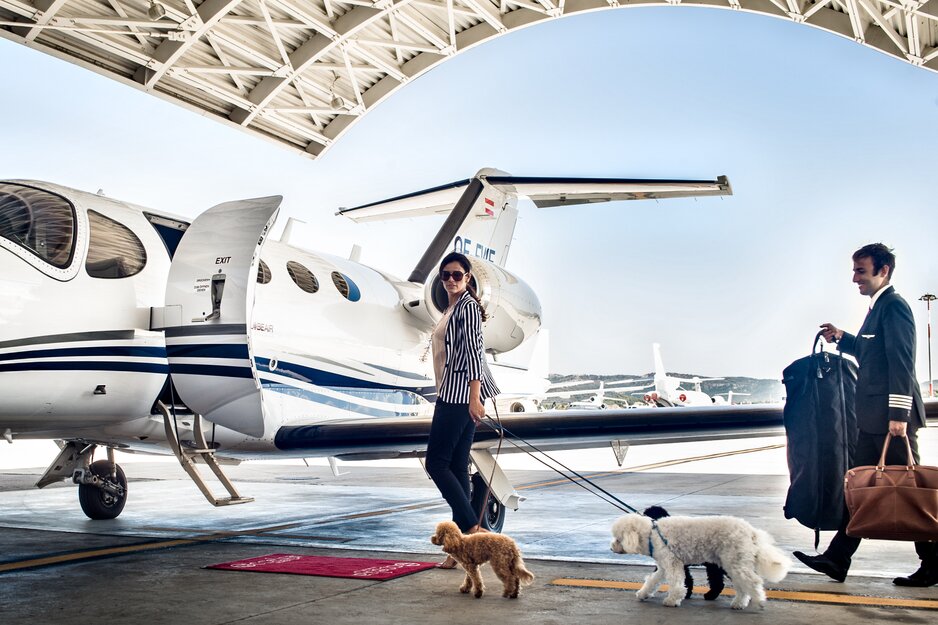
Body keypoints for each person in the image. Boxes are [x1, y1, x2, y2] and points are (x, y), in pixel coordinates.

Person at [794, 243, 935, 587]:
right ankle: (837, 558)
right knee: (858, 488)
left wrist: (898, 415)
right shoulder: (878, 309)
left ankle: (934, 562)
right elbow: (871, 354)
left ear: (882, 270)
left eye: (861, 270)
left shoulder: (894, 307)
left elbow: (902, 361)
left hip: (891, 421)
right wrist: (843, 338)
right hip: (874, 419)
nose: (854, 277)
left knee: (911, 491)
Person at [425, 251, 500, 568]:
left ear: (468, 278)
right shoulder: (450, 308)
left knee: (436, 463)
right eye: (446, 275)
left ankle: (472, 530)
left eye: (457, 274)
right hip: (451, 391)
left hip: (459, 394)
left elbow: (473, 352)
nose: (451, 280)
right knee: (456, 467)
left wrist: (474, 396)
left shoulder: (467, 307)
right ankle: (460, 550)